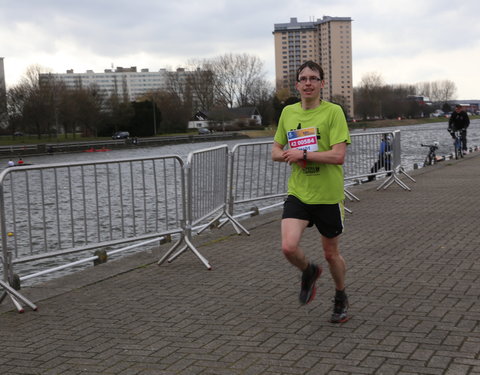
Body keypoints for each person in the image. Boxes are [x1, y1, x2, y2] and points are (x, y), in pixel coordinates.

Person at [271, 60, 351, 323]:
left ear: (322, 84)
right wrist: (287, 155)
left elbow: (339, 156)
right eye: (303, 79)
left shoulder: (333, 113)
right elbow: (274, 151)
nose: (308, 83)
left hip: (328, 195)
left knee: (331, 254)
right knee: (287, 247)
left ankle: (340, 295)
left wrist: (304, 153)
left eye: (313, 79)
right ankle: (308, 271)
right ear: (297, 85)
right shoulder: (288, 113)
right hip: (299, 192)